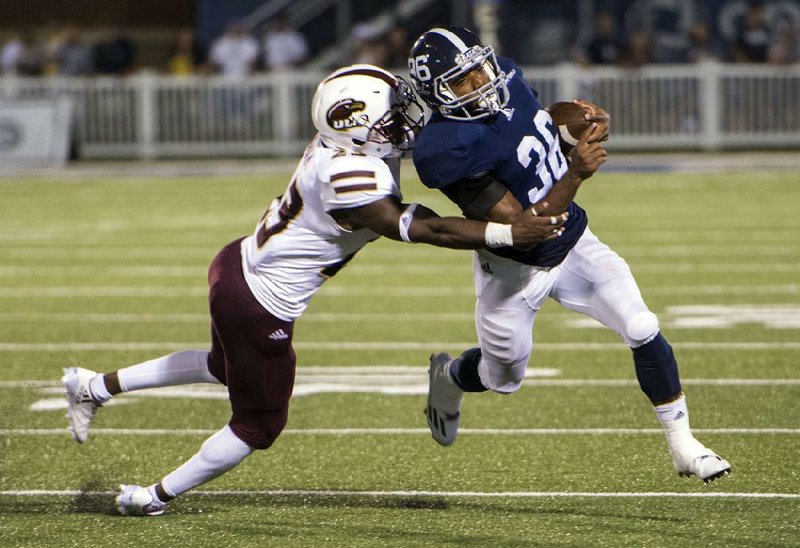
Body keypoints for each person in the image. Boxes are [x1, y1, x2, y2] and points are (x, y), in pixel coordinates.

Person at [62, 63, 569, 516]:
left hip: (237, 269)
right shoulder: (351, 175)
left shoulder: (347, 145)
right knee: (258, 426)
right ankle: (152, 498)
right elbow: (431, 231)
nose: (407, 119)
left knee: (223, 367)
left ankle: (92, 387)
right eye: (393, 116)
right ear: (358, 128)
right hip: (260, 304)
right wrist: (507, 233)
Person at [407, 27, 731, 483]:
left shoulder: (506, 78)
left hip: (575, 240)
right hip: (515, 267)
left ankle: (684, 445)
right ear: (437, 95)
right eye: (464, 80)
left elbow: (538, 126)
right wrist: (575, 174)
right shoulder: (447, 148)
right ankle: (450, 376)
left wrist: (575, 122)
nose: (482, 81)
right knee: (502, 376)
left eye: (480, 68)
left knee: (641, 325)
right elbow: (524, 228)